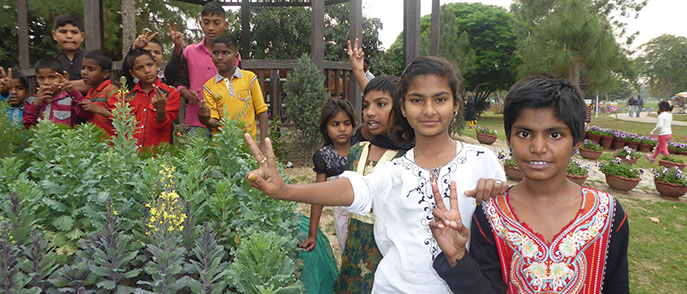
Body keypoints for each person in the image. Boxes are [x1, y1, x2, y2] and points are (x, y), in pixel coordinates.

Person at [244, 56, 507, 293]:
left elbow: (512, 224)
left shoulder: (482, 161)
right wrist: (285, 191)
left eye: (440, 99)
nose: (429, 110)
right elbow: (355, 189)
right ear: (403, 108)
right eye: (417, 100)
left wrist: (498, 196)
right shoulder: (394, 171)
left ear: (456, 104)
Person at [431, 76, 629, 294]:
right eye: (524, 134)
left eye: (555, 135)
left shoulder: (607, 214)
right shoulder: (490, 217)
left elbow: (617, 286)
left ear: (576, 142)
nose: (538, 147)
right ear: (509, 138)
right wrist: (457, 257)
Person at [300, 98, 359, 253]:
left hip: (368, 213)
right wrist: (312, 234)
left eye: (347, 123)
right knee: (348, 252)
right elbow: (318, 197)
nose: (342, 129)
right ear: (326, 128)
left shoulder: (361, 147)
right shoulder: (324, 156)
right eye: (335, 124)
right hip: (343, 216)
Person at [198, 35, 268, 143]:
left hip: (248, 145)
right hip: (223, 148)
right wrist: (205, 120)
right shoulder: (209, 87)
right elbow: (215, 122)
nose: (220, 57)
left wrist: (264, 142)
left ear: (236, 57)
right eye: (216, 53)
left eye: (225, 53)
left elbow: (262, 111)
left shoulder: (249, 78)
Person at [175, 1, 230, 137]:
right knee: (197, 157)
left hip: (225, 120)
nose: (211, 27)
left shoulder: (233, 56)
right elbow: (179, 82)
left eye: (216, 23)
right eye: (206, 22)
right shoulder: (189, 52)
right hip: (196, 120)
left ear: (225, 25)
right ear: (200, 24)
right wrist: (187, 93)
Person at [124, 49, 180, 148]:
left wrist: (161, 110)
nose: (147, 70)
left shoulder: (170, 93)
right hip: (132, 154)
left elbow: (164, 126)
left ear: (156, 65)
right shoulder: (128, 97)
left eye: (150, 65)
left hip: (158, 155)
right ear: (133, 73)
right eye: (140, 68)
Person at [23, 57, 91, 128]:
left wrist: (72, 92)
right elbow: (27, 126)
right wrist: (37, 104)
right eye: (41, 78)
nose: (46, 82)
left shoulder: (69, 99)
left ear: (62, 78)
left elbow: (87, 115)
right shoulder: (32, 100)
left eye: (52, 77)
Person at [121, 24, 183, 90]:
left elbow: (174, 65)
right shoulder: (135, 77)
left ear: (162, 57)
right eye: (148, 52)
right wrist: (134, 48)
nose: (153, 55)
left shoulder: (166, 76)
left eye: (157, 52)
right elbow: (127, 68)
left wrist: (178, 47)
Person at [77, 50, 121, 137]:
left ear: (105, 73)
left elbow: (122, 119)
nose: (84, 72)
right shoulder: (91, 92)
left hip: (111, 145)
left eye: (91, 69)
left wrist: (98, 109)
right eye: (83, 68)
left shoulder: (111, 91)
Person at [52, 14, 89, 93]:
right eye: (63, 32)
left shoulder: (91, 59)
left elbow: (94, 84)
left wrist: (64, 85)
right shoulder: (52, 63)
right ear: (54, 35)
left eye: (74, 32)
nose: (69, 36)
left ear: (82, 36)